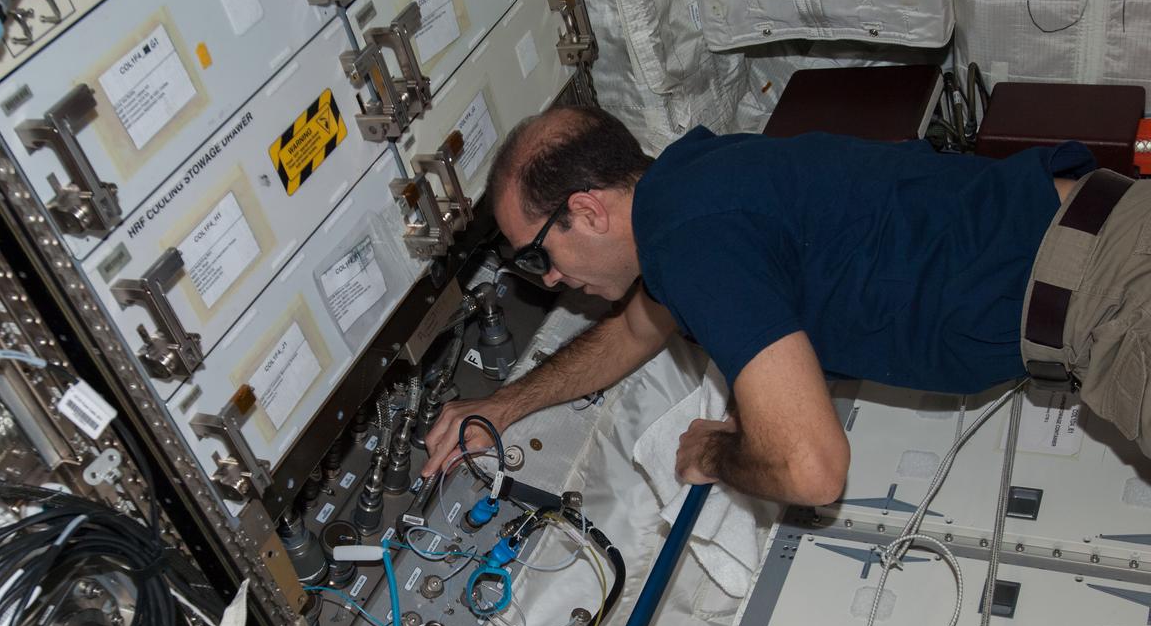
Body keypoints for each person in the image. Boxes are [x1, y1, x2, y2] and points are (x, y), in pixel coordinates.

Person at [422, 105, 1151, 504]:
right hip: (1110, 250)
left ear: (587, 209)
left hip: (1119, 304)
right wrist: (505, 406)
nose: (545, 280)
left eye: (536, 254)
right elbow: (634, 331)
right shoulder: (695, 177)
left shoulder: (689, 243)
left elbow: (812, 470)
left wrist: (718, 450)